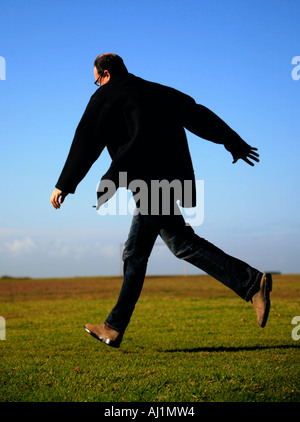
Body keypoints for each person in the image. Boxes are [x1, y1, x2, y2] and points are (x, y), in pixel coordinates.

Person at [50, 53, 272, 349]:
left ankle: (114, 326)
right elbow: (197, 114)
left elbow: (86, 137)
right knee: (167, 245)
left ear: (104, 75)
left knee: (145, 251)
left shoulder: (106, 94)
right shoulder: (157, 90)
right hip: (169, 178)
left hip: (150, 181)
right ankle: (250, 283)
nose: (96, 85)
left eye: (95, 80)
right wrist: (232, 140)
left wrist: (64, 184)